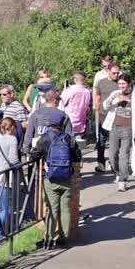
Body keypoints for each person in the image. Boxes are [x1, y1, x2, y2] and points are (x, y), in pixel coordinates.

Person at [29, 105, 81, 248]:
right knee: (65, 208)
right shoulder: (69, 139)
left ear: (50, 124)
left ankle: (49, 238)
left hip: (50, 178)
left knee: (51, 208)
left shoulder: (45, 139)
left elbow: (35, 154)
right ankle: (64, 239)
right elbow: (77, 156)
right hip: (66, 177)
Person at [102, 75, 134, 192]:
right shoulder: (115, 93)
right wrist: (112, 99)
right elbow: (105, 106)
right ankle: (118, 173)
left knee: (124, 155)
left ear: (129, 84)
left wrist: (126, 100)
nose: (121, 86)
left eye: (124, 84)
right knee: (112, 155)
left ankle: (123, 180)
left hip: (128, 128)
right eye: (120, 84)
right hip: (114, 127)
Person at [21, 87, 72, 154]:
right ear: (54, 100)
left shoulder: (35, 114)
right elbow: (69, 135)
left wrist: (26, 150)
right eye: (58, 100)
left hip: (38, 150)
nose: (59, 102)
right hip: (57, 151)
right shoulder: (63, 115)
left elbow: (29, 134)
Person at [92, 64, 121, 172]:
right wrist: (97, 109)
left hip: (117, 115)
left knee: (116, 141)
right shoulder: (102, 82)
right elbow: (97, 96)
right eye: (114, 73)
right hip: (104, 115)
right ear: (108, 71)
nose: (116, 75)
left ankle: (114, 163)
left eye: (118, 73)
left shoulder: (121, 83)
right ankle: (101, 164)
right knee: (101, 140)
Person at [60, 71, 92, 141]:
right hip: (81, 122)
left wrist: (64, 90)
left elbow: (62, 101)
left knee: (68, 142)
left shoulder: (70, 90)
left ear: (75, 79)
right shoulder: (88, 92)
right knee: (77, 144)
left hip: (69, 121)